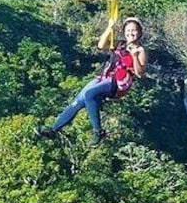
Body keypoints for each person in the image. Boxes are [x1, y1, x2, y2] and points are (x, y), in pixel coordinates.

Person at [37, 17, 147, 145]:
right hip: (104, 77)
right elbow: (101, 45)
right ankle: (53, 130)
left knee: (90, 94)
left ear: (139, 32)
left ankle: (98, 131)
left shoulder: (140, 50)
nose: (131, 33)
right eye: (128, 30)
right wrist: (109, 27)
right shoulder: (119, 44)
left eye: (134, 30)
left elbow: (140, 73)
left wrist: (134, 57)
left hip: (118, 82)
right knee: (79, 100)